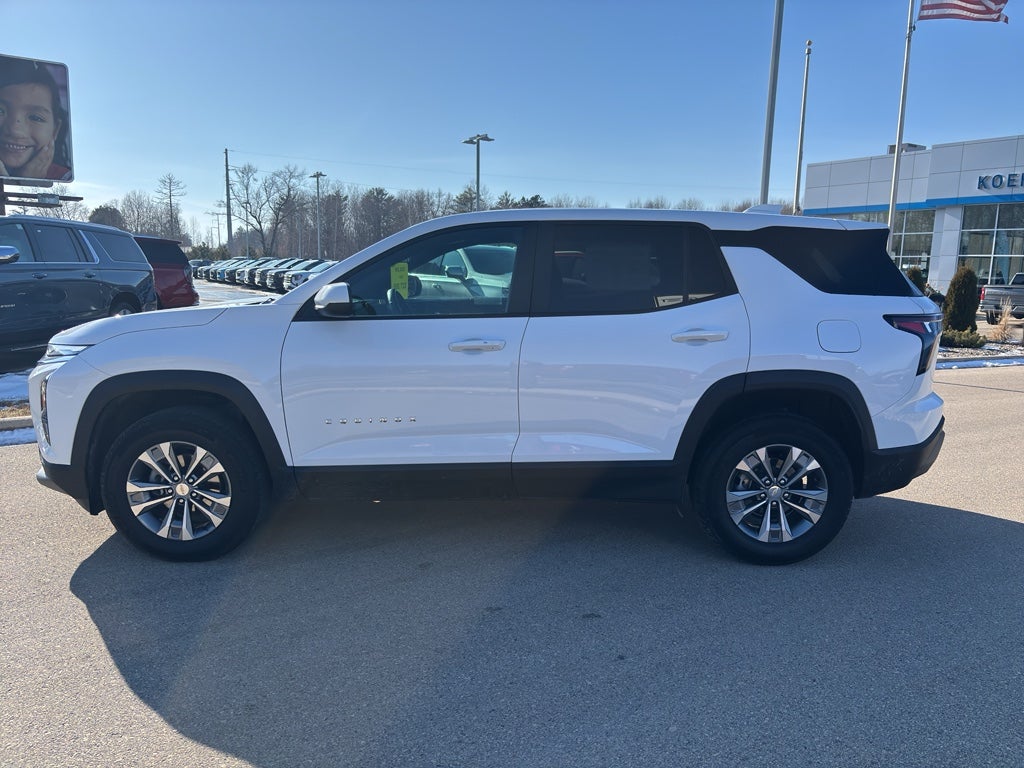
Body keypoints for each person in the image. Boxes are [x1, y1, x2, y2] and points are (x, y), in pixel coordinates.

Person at [0, 59, 71, 181]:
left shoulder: (63, 178)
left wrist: (25, 186)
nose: (15, 131)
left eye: (35, 117)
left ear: (55, 130)